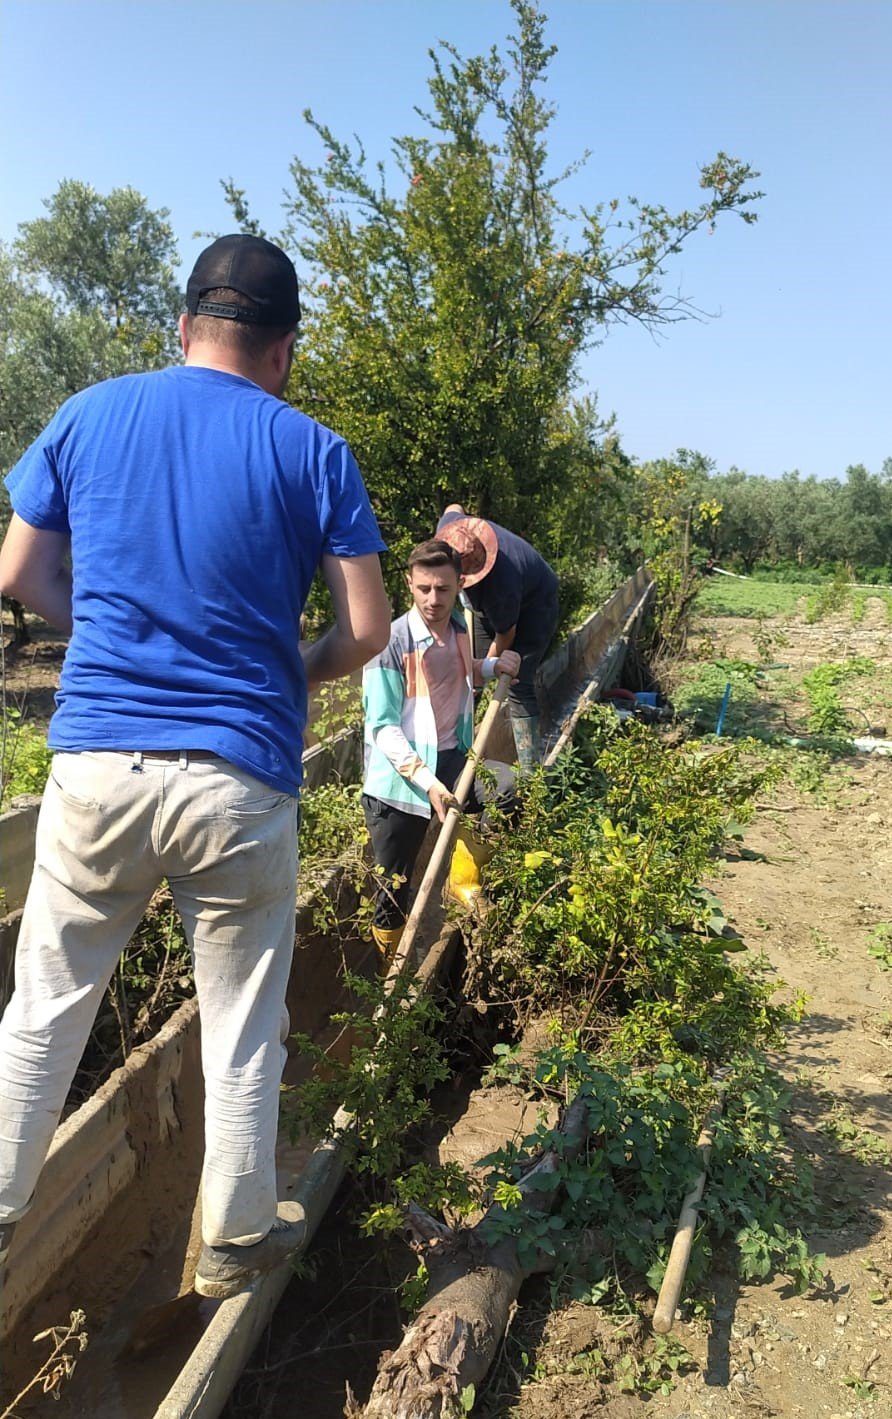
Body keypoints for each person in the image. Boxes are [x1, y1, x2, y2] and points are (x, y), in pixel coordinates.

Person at [0, 235, 391, 1301]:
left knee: (47, 1001)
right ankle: (234, 1236)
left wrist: (108, 636)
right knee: (243, 1019)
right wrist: (289, 671)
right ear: (284, 351)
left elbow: (19, 570)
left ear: (182, 328)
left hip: (98, 767)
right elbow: (366, 630)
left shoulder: (89, 413)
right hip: (237, 778)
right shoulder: (314, 450)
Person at [361, 539, 520, 967]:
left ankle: (462, 881)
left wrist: (493, 667)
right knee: (393, 889)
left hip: (451, 758)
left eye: (443, 589)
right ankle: (390, 969)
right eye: (424, 589)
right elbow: (383, 728)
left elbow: (462, 674)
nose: (433, 599)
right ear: (409, 584)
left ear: (460, 585)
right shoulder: (390, 643)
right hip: (399, 782)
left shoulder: (460, 629)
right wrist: (428, 784)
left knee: (506, 789)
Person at [434, 506, 559, 771]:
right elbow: (453, 507)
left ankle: (531, 773)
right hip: (487, 607)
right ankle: (453, 752)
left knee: (516, 680)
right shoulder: (450, 530)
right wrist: (475, 672)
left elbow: (506, 634)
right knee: (467, 672)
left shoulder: (502, 583)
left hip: (535, 609)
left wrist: (485, 669)